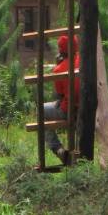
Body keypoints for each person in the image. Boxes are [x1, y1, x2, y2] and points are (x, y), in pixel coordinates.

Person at [44, 34, 80, 165]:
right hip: (86, 108)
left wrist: (58, 65)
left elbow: (60, 95)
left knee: (42, 110)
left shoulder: (59, 69)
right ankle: (78, 154)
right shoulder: (85, 60)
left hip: (68, 110)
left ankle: (57, 149)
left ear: (60, 50)